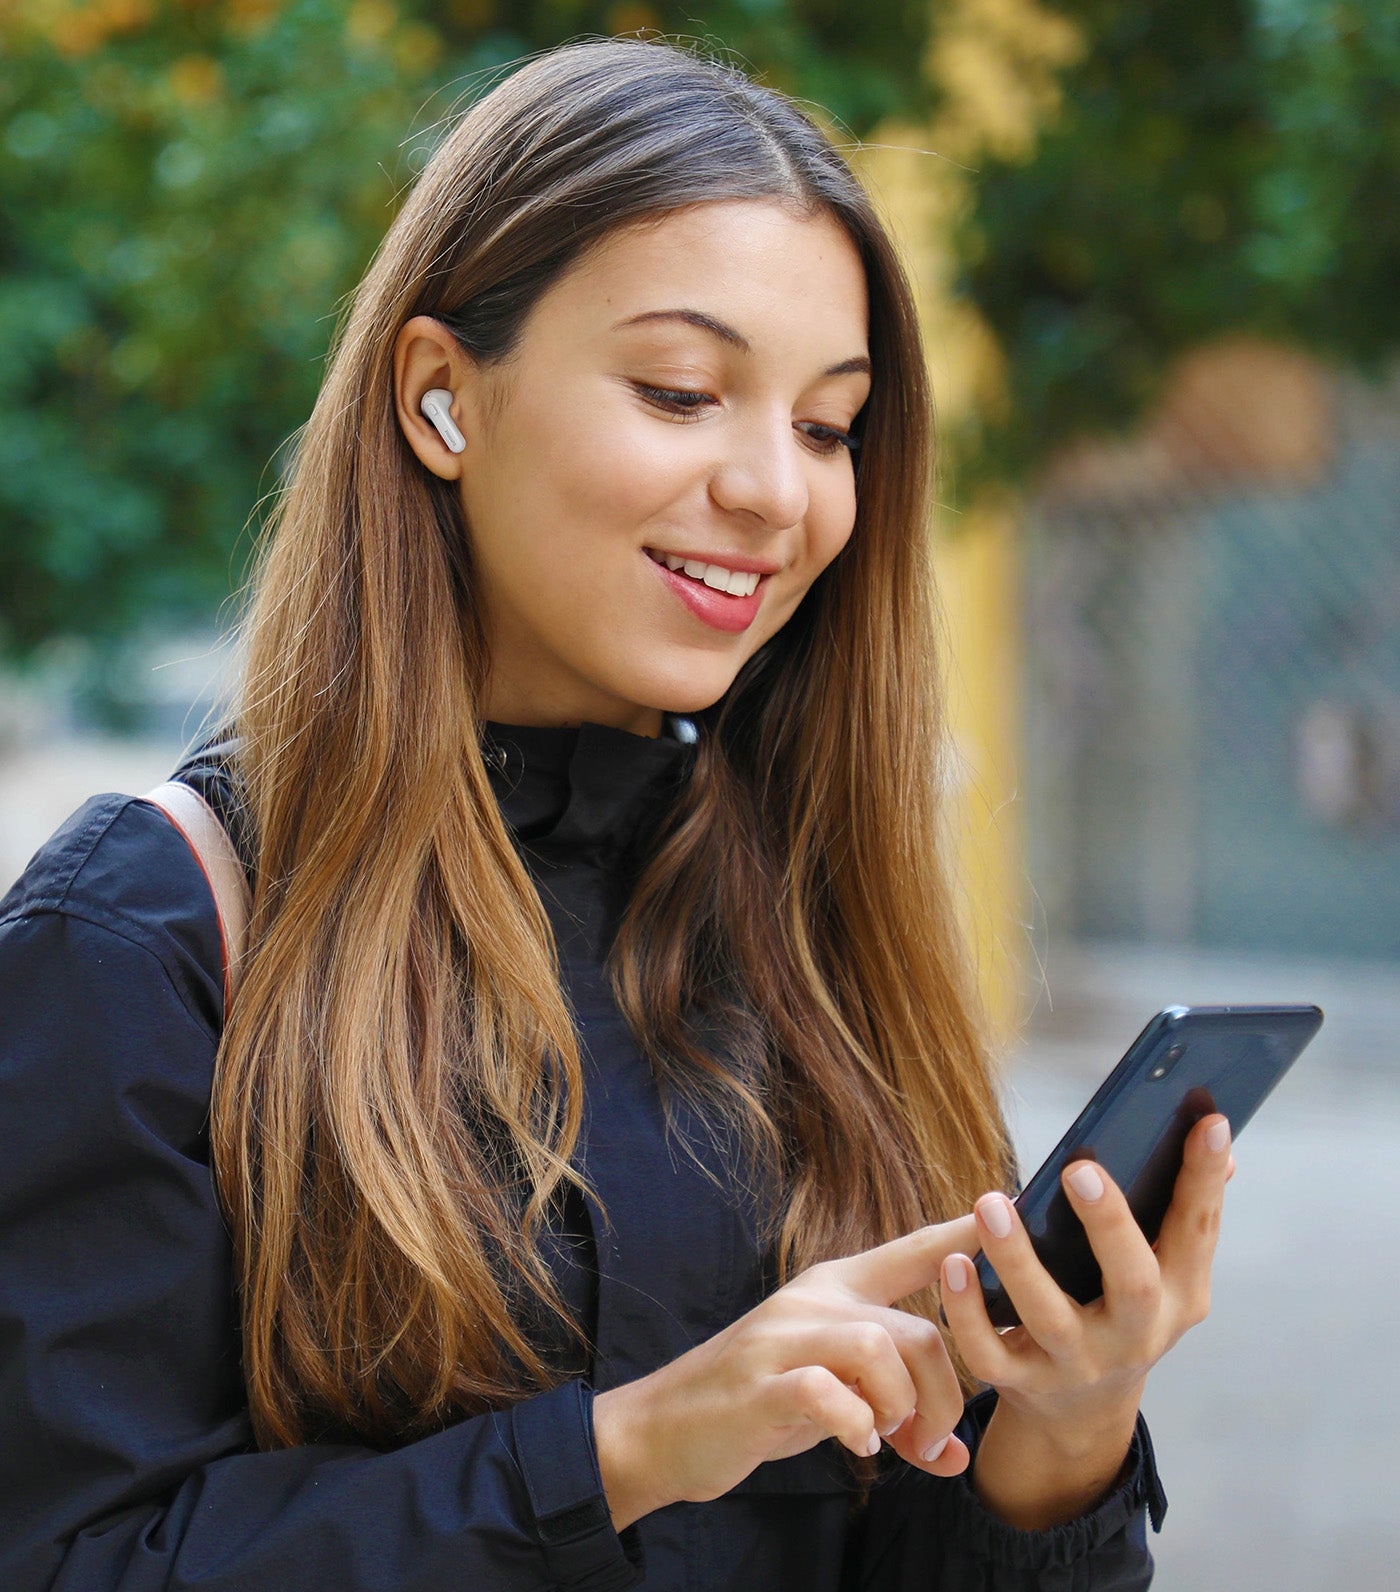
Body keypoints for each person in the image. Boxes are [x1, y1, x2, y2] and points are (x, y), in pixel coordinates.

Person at [0, 36, 1230, 1591]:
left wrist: (1064, 1429)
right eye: (681, 390)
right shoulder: (154, 925)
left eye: (829, 424)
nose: (778, 493)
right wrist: (634, 1448)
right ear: (442, 397)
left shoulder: (812, 924)